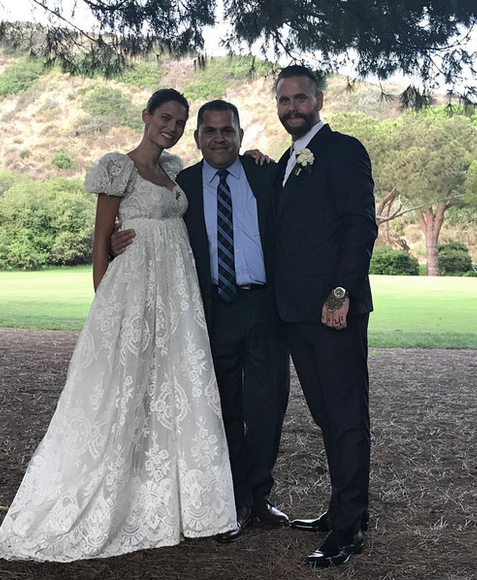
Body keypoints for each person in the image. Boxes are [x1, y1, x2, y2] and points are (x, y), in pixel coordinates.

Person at [0, 89, 237, 563]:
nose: (171, 127)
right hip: (131, 292)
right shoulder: (117, 167)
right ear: (146, 116)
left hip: (177, 295)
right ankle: (101, 495)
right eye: (165, 117)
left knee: (169, 387)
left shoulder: (173, 171)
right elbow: (101, 242)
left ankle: (181, 500)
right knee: (121, 386)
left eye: (180, 121)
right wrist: (107, 307)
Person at [112, 100, 290, 542]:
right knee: (221, 406)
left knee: (268, 405)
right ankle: (235, 500)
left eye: (226, 130)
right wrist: (119, 242)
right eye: (209, 131)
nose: (218, 138)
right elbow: (147, 222)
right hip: (211, 310)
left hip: (265, 307)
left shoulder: (265, 176)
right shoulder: (182, 187)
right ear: (197, 139)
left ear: (240, 135)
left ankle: (261, 495)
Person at [273, 65, 378, 568]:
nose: (292, 107)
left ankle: (350, 526)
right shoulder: (284, 162)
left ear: (318, 100)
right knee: (325, 416)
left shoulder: (343, 150)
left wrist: (340, 293)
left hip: (334, 310)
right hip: (295, 313)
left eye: (300, 98)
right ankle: (341, 506)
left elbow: (360, 226)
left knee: (346, 415)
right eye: (284, 100)